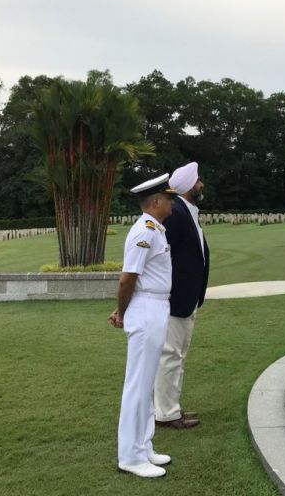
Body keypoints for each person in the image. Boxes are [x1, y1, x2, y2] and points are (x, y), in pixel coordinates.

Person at [109, 174, 178, 479]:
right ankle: (131, 456)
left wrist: (124, 308)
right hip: (146, 308)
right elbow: (127, 278)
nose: (173, 202)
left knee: (147, 382)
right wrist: (122, 312)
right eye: (169, 198)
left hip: (155, 306)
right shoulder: (145, 231)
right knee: (137, 386)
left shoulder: (156, 231)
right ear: (155, 202)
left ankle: (144, 446)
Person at [154, 162, 210, 429]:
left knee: (177, 356)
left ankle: (171, 408)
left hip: (188, 299)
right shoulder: (176, 213)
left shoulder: (188, 211)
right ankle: (166, 414)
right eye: (198, 181)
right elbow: (162, 257)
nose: (202, 185)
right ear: (189, 186)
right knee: (170, 355)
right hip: (176, 300)